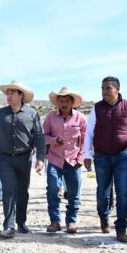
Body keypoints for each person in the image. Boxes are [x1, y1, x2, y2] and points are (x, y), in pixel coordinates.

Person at [83, 76, 127, 243]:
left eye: (108, 88)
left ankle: (121, 228)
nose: (104, 91)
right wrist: (87, 155)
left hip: (123, 155)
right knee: (103, 191)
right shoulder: (97, 108)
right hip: (101, 156)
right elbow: (89, 132)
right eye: (102, 88)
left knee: (123, 192)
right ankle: (104, 217)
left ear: (117, 89)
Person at [0, 80, 46, 239]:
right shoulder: (0, 113)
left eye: (13, 92)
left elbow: (39, 137)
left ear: (21, 96)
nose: (9, 95)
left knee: (22, 192)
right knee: (8, 191)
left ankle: (21, 222)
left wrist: (40, 159)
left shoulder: (32, 113)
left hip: (25, 158)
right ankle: (9, 226)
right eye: (8, 92)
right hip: (5, 158)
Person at [43, 87, 87, 234]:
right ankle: (55, 221)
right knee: (53, 190)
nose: (64, 103)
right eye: (61, 101)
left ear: (72, 102)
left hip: (74, 161)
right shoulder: (50, 117)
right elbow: (43, 137)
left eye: (67, 101)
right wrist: (54, 140)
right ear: (57, 102)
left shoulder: (80, 118)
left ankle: (71, 221)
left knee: (74, 192)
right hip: (55, 160)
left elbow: (86, 140)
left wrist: (81, 157)